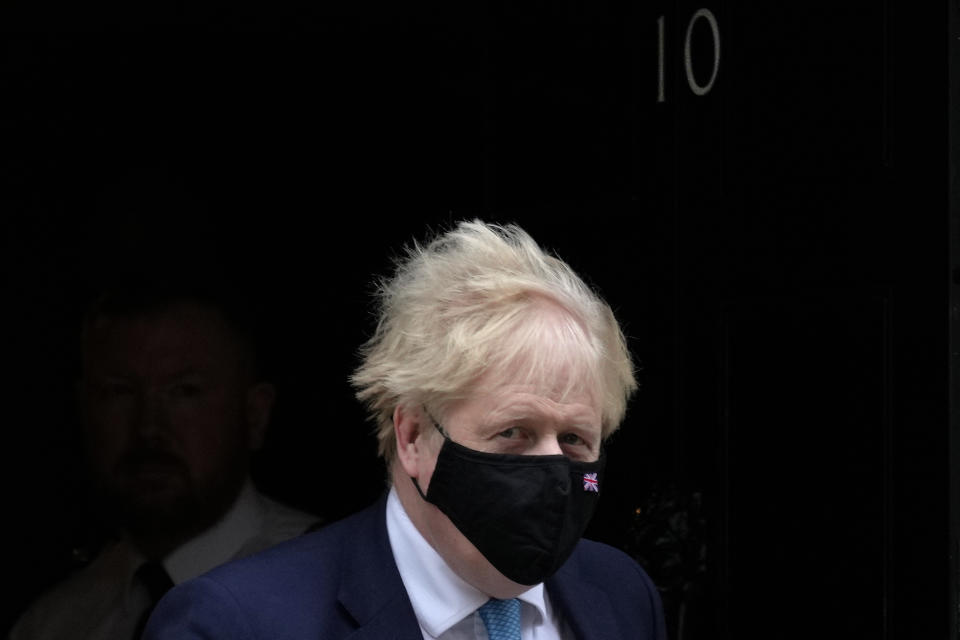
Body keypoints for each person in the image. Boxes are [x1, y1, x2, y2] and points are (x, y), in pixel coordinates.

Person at [143, 220, 666, 639]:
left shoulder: (622, 596)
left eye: (574, 439)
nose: (550, 466)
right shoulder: (233, 624)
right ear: (414, 436)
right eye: (513, 432)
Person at [9, 278, 321, 640]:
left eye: (184, 392)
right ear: (84, 409)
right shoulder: (54, 625)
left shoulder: (338, 593)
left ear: (253, 414)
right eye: (119, 392)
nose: (147, 428)